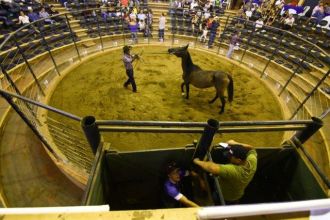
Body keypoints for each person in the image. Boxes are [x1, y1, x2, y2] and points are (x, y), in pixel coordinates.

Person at [193, 139, 257, 204]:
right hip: (237, 195)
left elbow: (212, 168)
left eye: (231, 157)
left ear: (239, 160)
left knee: (216, 199)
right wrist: (235, 143)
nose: (228, 157)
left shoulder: (234, 171)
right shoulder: (252, 160)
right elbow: (252, 148)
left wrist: (197, 161)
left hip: (224, 196)